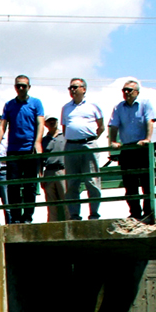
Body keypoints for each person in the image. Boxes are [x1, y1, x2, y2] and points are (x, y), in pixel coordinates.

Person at [0, 75, 44, 224]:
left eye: (24, 85)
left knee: (30, 185)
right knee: (13, 185)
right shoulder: (9, 105)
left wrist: (38, 142)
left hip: (30, 149)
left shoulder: (36, 103)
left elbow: (40, 123)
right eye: (18, 86)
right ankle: (15, 217)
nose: (21, 88)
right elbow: (2, 126)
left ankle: (28, 216)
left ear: (29, 87)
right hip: (14, 149)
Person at [107, 79, 156, 222]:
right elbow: (113, 125)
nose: (126, 93)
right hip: (127, 148)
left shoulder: (145, 103)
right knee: (130, 184)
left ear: (137, 92)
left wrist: (148, 138)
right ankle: (135, 213)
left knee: (147, 183)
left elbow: (150, 121)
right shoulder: (119, 107)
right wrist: (113, 141)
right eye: (124, 90)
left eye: (129, 90)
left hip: (142, 148)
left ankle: (148, 213)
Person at [60, 77, 105, 220]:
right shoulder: (66, 108)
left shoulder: (93, 106)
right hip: (71, 146)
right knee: (72, 182)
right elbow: (65, 128)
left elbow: (101, 126)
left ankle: (94, 214)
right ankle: (74, 215)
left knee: (91, 180)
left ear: (83, 89)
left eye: (75, 87)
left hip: (88, 145)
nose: (72, 90)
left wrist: (90, 139)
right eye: (70, 88)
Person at [41, 116, 67, 221]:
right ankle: (52, 228)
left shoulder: (66, 136)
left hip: (63, 170)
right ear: (45, 124)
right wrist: (41, 176)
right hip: (48, 172)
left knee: (67, 201)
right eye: (49, 121)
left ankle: (71, 226)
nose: (52, 122)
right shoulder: (43, 140)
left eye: (54, 120)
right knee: (51, 204)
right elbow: (39, 159)